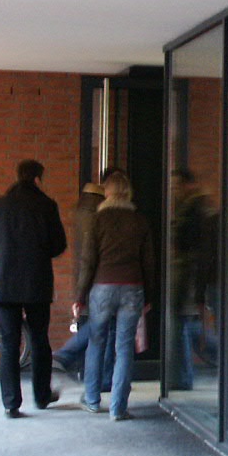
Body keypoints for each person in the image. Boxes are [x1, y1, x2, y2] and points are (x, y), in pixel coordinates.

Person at [0, 158, 68, 416]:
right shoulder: (47, 205)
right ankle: (41, 396)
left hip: (4, 284)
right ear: (38, 179)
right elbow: (59, 245)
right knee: (39, 339)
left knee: (9, 342)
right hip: (36, 283)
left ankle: (11, 403)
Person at [74, 168, 155, 420]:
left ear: (106, 193)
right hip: (132, 287)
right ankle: (118, 408)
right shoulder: (139, 221)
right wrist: (149, 296)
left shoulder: (97, 220)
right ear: (128, 193)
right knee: (124, 347)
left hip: (102, 287)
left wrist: (80, 296)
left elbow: (88, 261)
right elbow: (148, 262)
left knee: (96, 342)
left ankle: (91, 399)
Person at [52, 175, 116, 386]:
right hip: (98, 280)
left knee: (101, 326)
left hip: (86, 279)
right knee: (103, 325)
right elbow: (92, 256)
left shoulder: (82, 210)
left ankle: (97, 378)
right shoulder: (97, 214)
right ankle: (67, 355)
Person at [169, 168, 218, 389]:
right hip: (189, 273)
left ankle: (183, 377)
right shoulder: (195, 206)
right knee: (186, 323)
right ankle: (183, 375)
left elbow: (192, 242)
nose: (174, 190)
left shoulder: (194, 207)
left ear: (188, 185)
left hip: (189, 273)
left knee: (182, 323)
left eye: (177, 185)